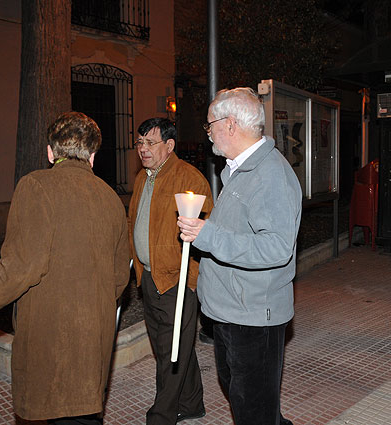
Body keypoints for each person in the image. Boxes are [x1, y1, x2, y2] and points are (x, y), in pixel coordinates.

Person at [0, 112, 130, 424]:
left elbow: (23, 265)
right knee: (83, 413)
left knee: (56, 410)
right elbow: (120, 278)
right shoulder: (111, 198)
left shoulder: (36, 185)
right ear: (92, 157)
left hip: (52, 335)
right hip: (94, 334)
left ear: (51, 152)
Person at [177, 87, 301, 425]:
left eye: (210, 125)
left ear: (230, 124)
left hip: (253, 317)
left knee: (253, 409)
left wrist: (210, 235)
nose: (209, 134)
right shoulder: (238, 170)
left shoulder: (269, 175)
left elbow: (277, 247)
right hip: (232, 311)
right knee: (250, 400)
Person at [128, 117, 213, 425]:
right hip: (149, 277)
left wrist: (190, 282)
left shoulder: (188, 179)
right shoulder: (143, 178)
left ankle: (161, 416)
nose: (143, 149)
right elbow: (134, 223)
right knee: (173, 345)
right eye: (139, 143)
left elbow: (205, 234)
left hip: (176, 281)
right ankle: (191, 404)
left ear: (169, 145)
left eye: (150, 143)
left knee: (169, 352)